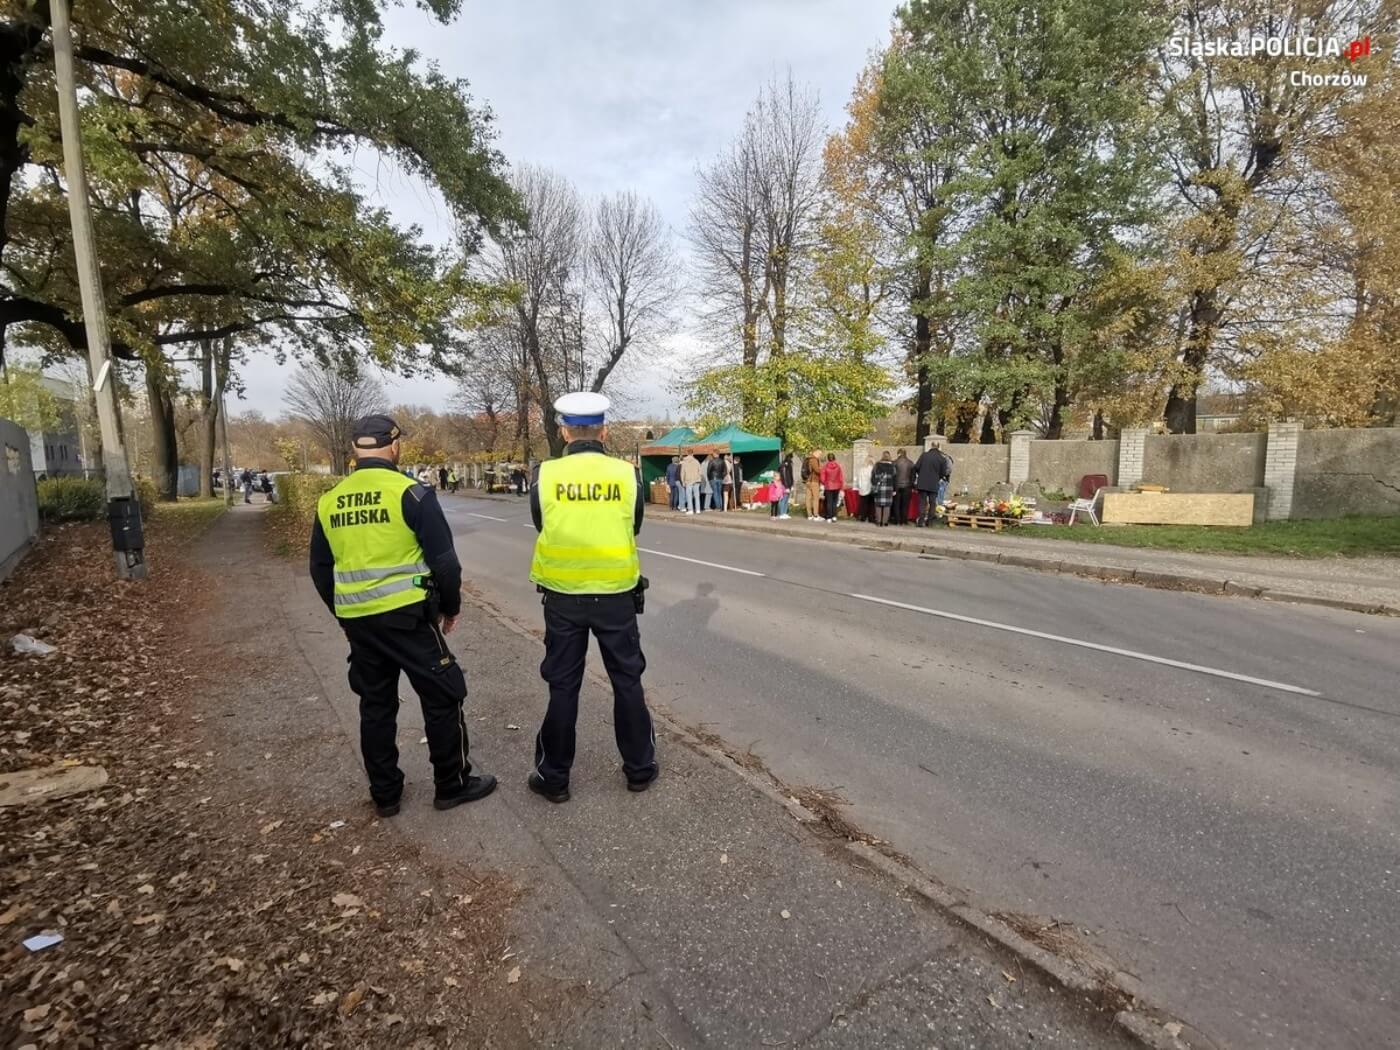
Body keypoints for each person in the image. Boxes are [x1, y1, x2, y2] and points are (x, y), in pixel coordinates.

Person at [308, 414, 496, 817]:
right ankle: (452, 784)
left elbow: (320, 569)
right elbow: (445, 562)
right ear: (394, 447)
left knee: (375, 705)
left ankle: (386, 795)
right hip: (408, 618)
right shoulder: (411, 494)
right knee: (443, 693)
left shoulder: (330, 500)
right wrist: (451, 607)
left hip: (360, 622)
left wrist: (344, 613)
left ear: (354, 452)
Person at [527, 392, 658, 803]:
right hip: (616, 596)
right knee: (627, 683)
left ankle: (554, 779)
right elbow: (633, 526)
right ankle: (638, 770)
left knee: (563, 687)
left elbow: (540, 523)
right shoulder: (627, 474)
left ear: (565, 431)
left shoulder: (544, 475)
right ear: (604, 430)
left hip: (563, 598)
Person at [913, 443, 947, 527]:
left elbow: (916, 467)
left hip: (923, 483)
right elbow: (943, 473)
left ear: (931, 446)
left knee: (922, 503)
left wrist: (920, 474)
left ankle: (921, 521)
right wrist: (937, 477)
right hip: (934, 483)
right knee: (932, 503)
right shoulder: (942, 459)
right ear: (938, 447)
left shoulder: (924, 455)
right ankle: (930, 522)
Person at [872, 451, 896, 526]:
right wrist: (894, 489)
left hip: (878, 487)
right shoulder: (892, 466)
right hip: (889, 488)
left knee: (878, 505)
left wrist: (874, 484)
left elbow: (872, 477)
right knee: (887, 505)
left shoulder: (876, 465)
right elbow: (894, 479)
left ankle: (878, 522)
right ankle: (885, 521)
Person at [820, 453, 844, 522]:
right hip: (837, 486)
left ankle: (829, 517)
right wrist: (841, 486)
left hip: (828, 486)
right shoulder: (838, 466)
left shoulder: (825, 467)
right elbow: (841, 477)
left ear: (828, 458)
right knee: (834, 502)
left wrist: (825, 483)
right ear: (834, 458)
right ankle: (834, 516)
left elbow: (822, 478)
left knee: (829, 502)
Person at [893, 449, 915, 525]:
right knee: (905, 504)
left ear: (898, 454)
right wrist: (913, 486)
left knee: (896, 504)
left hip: (897, 486)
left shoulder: (894, 462)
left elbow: (893, 475)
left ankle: (897, 520)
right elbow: (913, 476)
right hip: (907, 486)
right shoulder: (911, 463)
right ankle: (904, 520)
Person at [803, 450, 822, 520]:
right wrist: (821, 468)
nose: (820, 456)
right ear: (816, 453)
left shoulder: (807, 459)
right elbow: (817, 470)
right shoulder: (813, 459)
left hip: (807, 481)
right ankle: (816, 515)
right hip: (814, 481)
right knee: (815, 498)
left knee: (808, 498)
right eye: (819, 454)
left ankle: (809, 515)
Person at [855, 456, 874, 523]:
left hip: (862, 488)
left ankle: (863, 517)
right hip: (870, 488)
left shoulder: (861, 469)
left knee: (863, 503)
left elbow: (858, 479)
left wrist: (859, 486)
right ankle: (871, 518)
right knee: (871, 504)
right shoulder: (873, 469)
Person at [777, 453, 795, 519]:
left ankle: (784, 513)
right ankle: (781, 513)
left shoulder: (788, 465)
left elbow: (790, 476)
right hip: (785, 485)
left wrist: (791, 485)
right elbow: (784, 476)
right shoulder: (784, 466)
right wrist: (787, 486)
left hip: (788, 484)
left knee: (786, 499)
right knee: (783, 499)